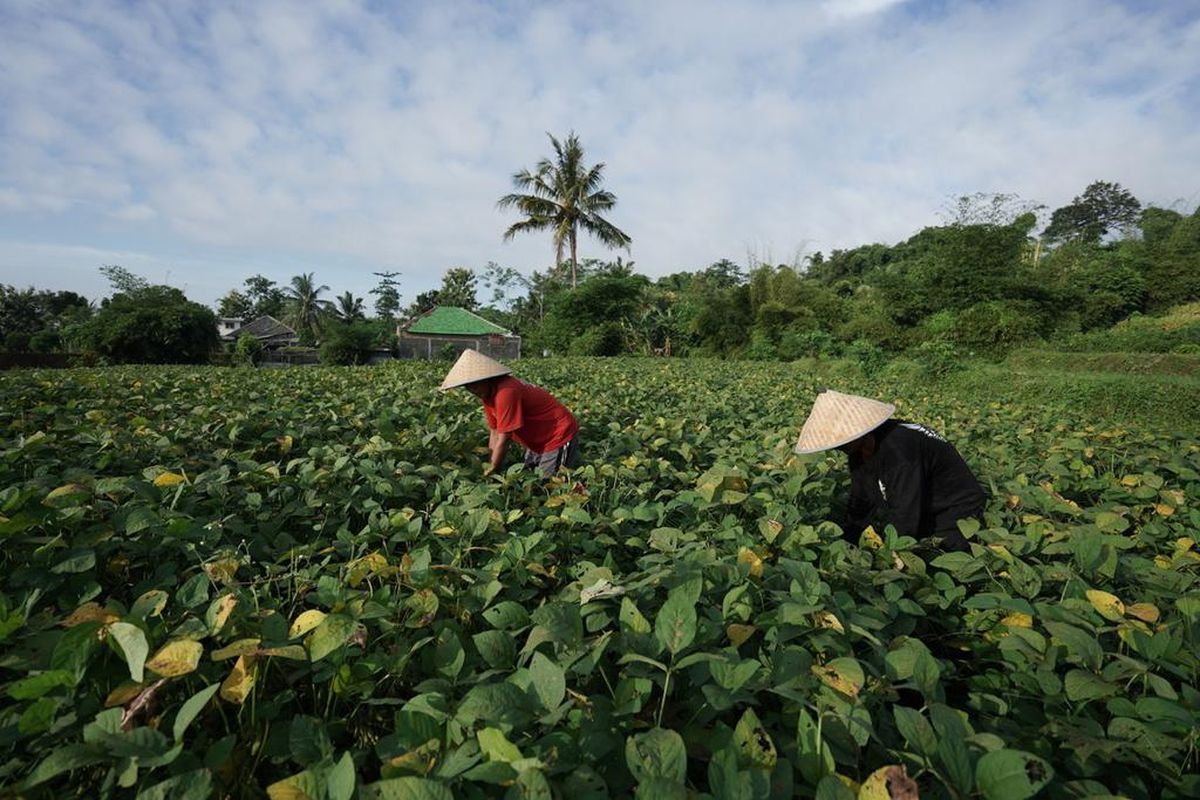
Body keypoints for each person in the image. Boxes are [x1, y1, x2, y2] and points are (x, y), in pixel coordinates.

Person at [794, 389, 988, 552]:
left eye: (841, 441)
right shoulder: (861, 450)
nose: (837, 447)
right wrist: (847, 541)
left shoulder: (900, 448)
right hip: (925, 506)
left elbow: (905, 511)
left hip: (958, 510)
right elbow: (861, 501)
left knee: (939, 556)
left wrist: (891, 554)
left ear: (859, 430)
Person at [440, 349, 580, 476]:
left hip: (558, 434)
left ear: (487, 379)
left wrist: (494, 468)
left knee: (549, 483)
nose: (473, 391)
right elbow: (494, 432)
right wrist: (490, 464)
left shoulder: (506, 391)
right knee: (530, 479)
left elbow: (504, 438)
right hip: (537, 439)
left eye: (475, 386)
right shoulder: (487, 394)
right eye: (469, 388)